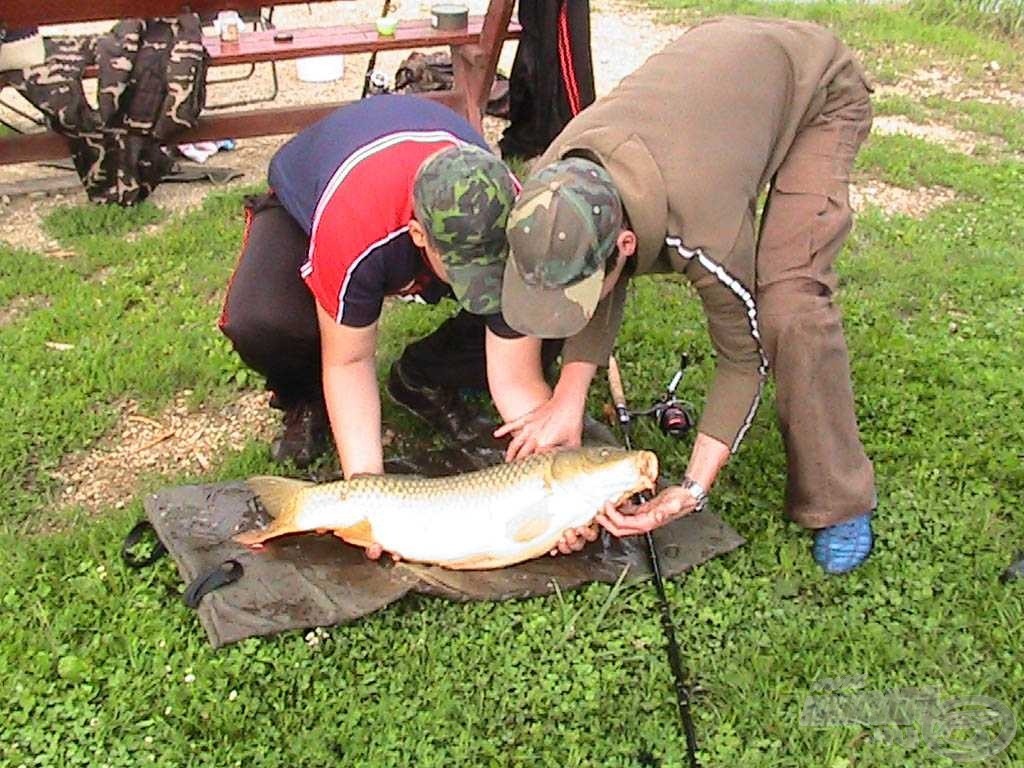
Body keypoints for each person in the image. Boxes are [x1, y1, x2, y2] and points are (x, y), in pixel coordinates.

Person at [496, 17, 878, 573]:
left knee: (789, 302)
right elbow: (598, 274)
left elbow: (743, 361)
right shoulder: (556, 181)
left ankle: (840, 497)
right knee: (593, 269)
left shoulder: (702, 230)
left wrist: (692, 487)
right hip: (722, 74)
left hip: (816, 90)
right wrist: (567, 395)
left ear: (629, 243)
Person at [219, 94, 556, 479]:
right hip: (313, 195)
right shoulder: (355, 229)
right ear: (418, 234)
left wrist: (552, 469)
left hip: (402, 172)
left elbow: (518, 378)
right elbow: (349, 362)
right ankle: (306, 396)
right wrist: (366, 490)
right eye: (464, 268)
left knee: (547, 310)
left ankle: (426, 375)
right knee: (261, 320)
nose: (479, 279)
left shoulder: (511, 211)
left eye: (489, 265)